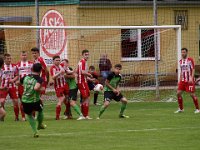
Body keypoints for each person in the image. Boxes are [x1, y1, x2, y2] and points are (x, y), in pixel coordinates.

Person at [21, 63, 46, 138]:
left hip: (25, 100)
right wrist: (42, 89)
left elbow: (18, 83)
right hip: (34, 100)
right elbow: (36, 88)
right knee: (40, 110)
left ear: (32, 69)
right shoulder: (39, 79)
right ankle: (40, 125)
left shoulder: (25, 77)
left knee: (29, 115)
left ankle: (35, 132)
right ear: (40, 70)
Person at [175, 48, 200, 113]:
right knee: (178, 93)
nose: (183, 53)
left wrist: (191, 78)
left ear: (187, 53)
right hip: (183, 81)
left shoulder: (190, 60)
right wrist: (179, 80)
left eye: (184, 52)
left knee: (192, 95)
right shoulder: (180, 61)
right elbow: (181, 71)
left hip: (189, 81)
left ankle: (198, 109)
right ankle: (181, 109)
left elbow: (193, 69)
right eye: (182, 52)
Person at [0, 54, 19, 121]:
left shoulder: (14, 66)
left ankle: (16, 117)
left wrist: (13, 80)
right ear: (4, 59)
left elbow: (17, 75)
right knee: (2, 102)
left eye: (10, 58)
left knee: (16, 101)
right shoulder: (1, 67)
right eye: (8, 59)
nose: (9, 60)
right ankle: (2, 117)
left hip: (12, 86)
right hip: (3, 87)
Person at [50, 56, 69, 120]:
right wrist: (60, 72)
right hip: (59, 87)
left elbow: (67, 71)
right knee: (61, 99)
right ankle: (57, 116)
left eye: (59, 60)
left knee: (67, 100)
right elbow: (53, 77)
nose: (58, 61)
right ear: (53, 61)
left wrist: (73, 71)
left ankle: (68, 114)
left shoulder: (61, 65)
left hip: (65, 85)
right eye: (56, 60)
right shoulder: (52, 68)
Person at [16, 51, 33, 121]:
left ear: (27, 56)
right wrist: (16, 81)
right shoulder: (17, 65)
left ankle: (32, 116)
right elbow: (16, 75)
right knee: (22, 101)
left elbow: (34, 74)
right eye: (23, 55)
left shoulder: (31, 64)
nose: (24, 56)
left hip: (29, 85)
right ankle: (23, 117)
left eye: (25, 55)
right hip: (21, 86)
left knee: (32, 101)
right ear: (20, 56)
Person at [77, 49, 93, 119]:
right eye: (85, 55)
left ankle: (84, 115)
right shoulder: (83, 62)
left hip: (84, 82)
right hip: (82, 82)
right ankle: (84, 115)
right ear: (82, 55)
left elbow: (80, 72)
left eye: (88, 54)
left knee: (87, 97)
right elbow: (83, 72)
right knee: (86, 97)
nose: (87, 56)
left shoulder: (83, 62)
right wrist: (89, 74)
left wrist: (90, 79)